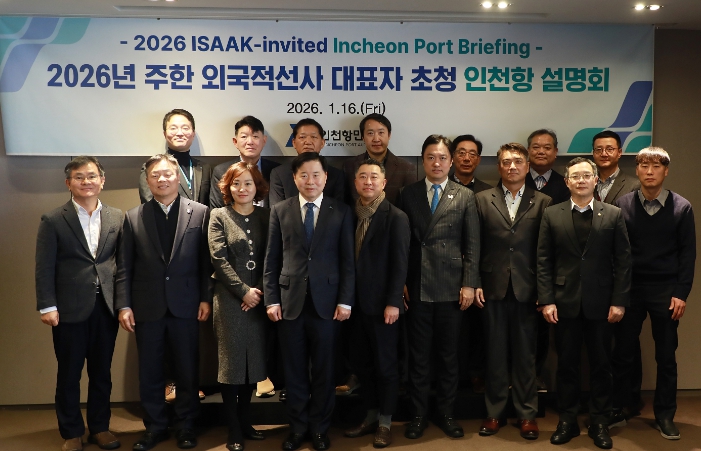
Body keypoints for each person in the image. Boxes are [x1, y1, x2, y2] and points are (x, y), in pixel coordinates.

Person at [116, 154, 212, 451]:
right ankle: (155, 427)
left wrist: (205, 298)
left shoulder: (200, 212)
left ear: (178, 178)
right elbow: (124, 266)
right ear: (147, 180)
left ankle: (186, 426)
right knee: (150, 371)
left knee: (187, 369)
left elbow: (205, 262)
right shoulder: (133, 216)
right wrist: (124, 304)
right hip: (147, 305)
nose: (162, 179)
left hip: (187, 303)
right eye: (155, 175)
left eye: (167, 174)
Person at [537, 157, 632, 450]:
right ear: (567, 182)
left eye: (586, 176)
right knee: (566, 365)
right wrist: (546, 300)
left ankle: (599, 421)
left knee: (601, 364)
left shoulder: (613, 214)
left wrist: (619, 301)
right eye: (575, 176)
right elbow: (543, 261)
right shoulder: (552, 214)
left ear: (595, 180)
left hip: (602, 303)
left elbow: (623, 261)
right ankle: (567, 420)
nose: (581, 180)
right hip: (563, 302)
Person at [264, 152, 355, 451]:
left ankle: (319, 429)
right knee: (294, 372)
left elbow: (347, 262)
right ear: (295, 178)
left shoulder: (341, 211)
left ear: (325, 178)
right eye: (304, 175)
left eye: (316, 175)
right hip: (289, 304)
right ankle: (297, 428)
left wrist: (345, 301)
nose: (310, 181)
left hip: (328, 305)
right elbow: (271, 259)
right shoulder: (280, 210)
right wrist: (271, 299)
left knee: (325, 372)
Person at [35, 156, 123, 451]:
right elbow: (44, 267)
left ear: (102, 180)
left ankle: (100, 427)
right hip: (68, 309)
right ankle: (71, 431)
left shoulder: (116, 217)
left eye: (92, 176)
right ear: (68, 183)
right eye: (79, 177)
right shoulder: (53, 219)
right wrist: (47, 305)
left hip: (106, 307)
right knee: (69, 373)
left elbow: (122, 264)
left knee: (102, 373)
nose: (86, 181)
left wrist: (123, 304)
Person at [397, 135, 480, 440]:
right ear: (423, 160)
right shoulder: (408, 193)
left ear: (451, 161)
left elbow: (472, 244)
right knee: (418, 356)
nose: (437, 163)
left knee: (448, 355)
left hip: (451, 286)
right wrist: (401, 281)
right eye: (431, 157)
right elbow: (401, 244)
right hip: (417, 285)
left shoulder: (465, 195)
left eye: (443, 157)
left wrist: (469, 284)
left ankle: (446, 413)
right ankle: (418, 415)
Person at [610, 147, 695, 440]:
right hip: (630, 289)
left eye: (656, 166)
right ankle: (620, 407)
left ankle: (665, 415)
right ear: (637, 170)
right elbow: (617, 253)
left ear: (665, 171)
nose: (649, 171)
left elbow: (688, 254)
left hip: (666, 291)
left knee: (666, 356)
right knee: (623, 353)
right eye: (644, 165)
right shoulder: (623, 204)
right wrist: (618, 293)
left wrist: (681, 293)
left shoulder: (682, 207)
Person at [475, 143, 551, 440]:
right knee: (494, 354)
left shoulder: (543, 201)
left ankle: (526, 414)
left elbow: (545, 251)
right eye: (506, 162)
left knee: (525, 356)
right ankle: (494, 413)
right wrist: (474, 281)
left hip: (527, 289)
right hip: (491, 287)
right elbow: (474, 245)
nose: (512, 166)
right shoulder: (482, 199)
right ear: (498, 166)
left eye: (518, 161)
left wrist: (544, 291)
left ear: (527, 166)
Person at [343, 159, 410, 448]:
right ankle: (369, 416)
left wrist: (394, 302)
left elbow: (400, 264)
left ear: (384, 183)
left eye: (374, 177)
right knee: (362, 365)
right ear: (355, 183)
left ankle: (385, 422)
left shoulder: (396, 217)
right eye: (362, 177)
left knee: (386, 366)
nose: (368, 182)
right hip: (353, 306)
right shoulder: (348, 215)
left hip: (384, 307)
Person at [208, 162, 270, 451]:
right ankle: (233, 428)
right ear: (228, 187)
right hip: (230, 299)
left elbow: (273, 257)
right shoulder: (218, 215)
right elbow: (218, 259)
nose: (242, 189)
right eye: (236, 183)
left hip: (259, 298)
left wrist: (258, 292)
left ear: (257, 186)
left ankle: (246, 422)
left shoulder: (267, 216)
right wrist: (244, 292)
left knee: (251, 364)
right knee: (231, 364)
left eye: (248, 183)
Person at [525, 128, 569, 393]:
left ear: (556, 152)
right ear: (528, 151)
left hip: (554, 267)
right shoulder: (514, 179)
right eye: (536, 147)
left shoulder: (567, 185)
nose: (541, 151)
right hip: (519, 265)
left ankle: (538, 376)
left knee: (544, 327)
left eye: (547, 147)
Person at [449, 134, 492, 394]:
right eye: (461, 153)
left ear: (479, 159)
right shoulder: (440, 187)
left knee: (477, 329)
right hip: (446, 271)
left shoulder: (487, 192)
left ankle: (475, 375)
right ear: (452, 157)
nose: (466, 158)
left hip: (479, 273)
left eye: (472, 154)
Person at [139, 109, 213, 206]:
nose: (179, 133)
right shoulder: (152, 168)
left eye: (185, 128)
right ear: (165, 134)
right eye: (173, 128)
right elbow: (149, 204)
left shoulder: (205, 168)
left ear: (193, 134)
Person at [342, 113, 417, 206]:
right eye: (370, 133)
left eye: (381, 133)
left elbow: (410, 206)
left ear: (389, 135)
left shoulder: (406, 169)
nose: (376, 139)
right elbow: (345, 204)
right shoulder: (349, 166)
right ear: (363, 137)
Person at [269, 118, 345, 206]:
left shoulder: (336, 175)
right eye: (302, 137)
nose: (308, 142)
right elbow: (277, 210)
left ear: (322, 143)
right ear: (294, 142)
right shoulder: (279, 174)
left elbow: (339, 210)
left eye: (313, 137)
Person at [210, 116, 280, 209]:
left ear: (264, 141)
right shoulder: (222, 171)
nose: (250, 142)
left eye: (255, 136)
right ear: (235, 142)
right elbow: (217, 209)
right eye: (244, 137)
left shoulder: (277, 171)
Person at [592, 130, 640, 204]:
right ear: (593, 153)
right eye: (598, 150)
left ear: (619, 152)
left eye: (609, 149)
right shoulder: (586, 183)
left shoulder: (634, 185)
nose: (604, 154)